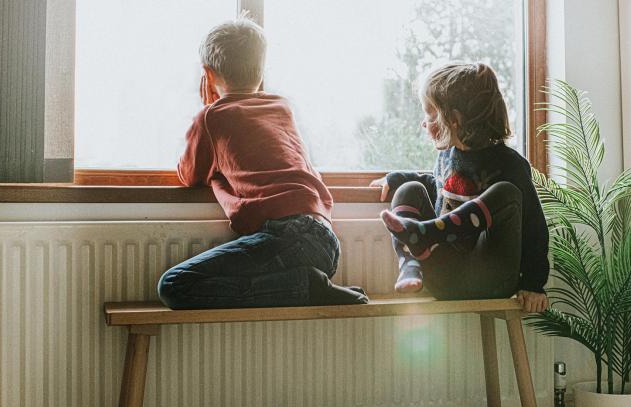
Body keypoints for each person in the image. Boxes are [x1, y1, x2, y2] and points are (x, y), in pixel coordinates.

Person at [158, 17, 367, 309]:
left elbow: (189, 175)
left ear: (207, 74)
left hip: (288, 236)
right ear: (261, 69)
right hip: (325, 239)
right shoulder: (282, 106)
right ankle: (305, 283)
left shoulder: (212, 116)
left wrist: (208, 110)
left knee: (174, 285)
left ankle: (304, 287)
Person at [371, 62, 549, 313]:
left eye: (430, 113)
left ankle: (427, 233)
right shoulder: (446, 158)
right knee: (408, 189)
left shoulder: (510, 164)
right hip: (442, 278)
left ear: (454, 120)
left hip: (490, 278)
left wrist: (534, 284)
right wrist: (396, 178)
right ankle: (411, 263)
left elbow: (534, 228)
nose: (424, 123)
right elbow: (437, 185)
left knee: (506, 193)